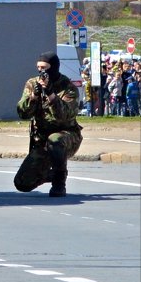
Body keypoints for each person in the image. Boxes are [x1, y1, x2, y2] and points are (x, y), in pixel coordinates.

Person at [14, 52, 82, 197]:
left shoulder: (68, 87)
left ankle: (59, 181)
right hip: (43, 140)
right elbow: (23, 113)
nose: (41, 72)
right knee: (22, 183)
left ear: (54, 67)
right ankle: (49, 173)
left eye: (44, 68)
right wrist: (33, 97)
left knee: (55, 140)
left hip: (66, 136)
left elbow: (64, 117)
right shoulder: (32, 84)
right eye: (38, 68)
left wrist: (51, 95)